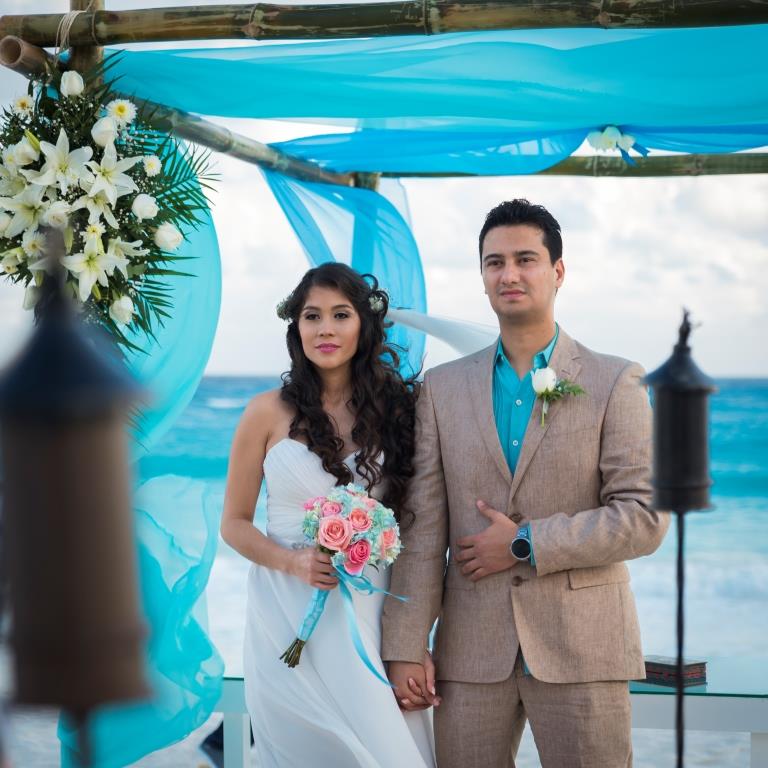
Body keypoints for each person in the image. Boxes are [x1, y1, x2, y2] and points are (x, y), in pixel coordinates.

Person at [381, 199, 670, 768]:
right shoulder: (439, 389)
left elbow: (643, 518)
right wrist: (406, 646)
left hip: (583, 647)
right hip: (470, 654)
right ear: (483, 276)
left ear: (558, 272)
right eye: (494, 263)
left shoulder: (616, 381)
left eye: (525, 259)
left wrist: (525, 542)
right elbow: (421, 530)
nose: (508, 274)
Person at [220, 262, 435, 768]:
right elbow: (233, 523)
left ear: (364, 324)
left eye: (341, 315)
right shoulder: (264, 413)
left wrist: (414, 643)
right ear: (296, 326)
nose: (325, 329)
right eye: (312, 316)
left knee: (388, 750)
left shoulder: (401, 412)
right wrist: (291, 562)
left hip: (369, 609)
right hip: (285, 610)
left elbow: (422, 531)